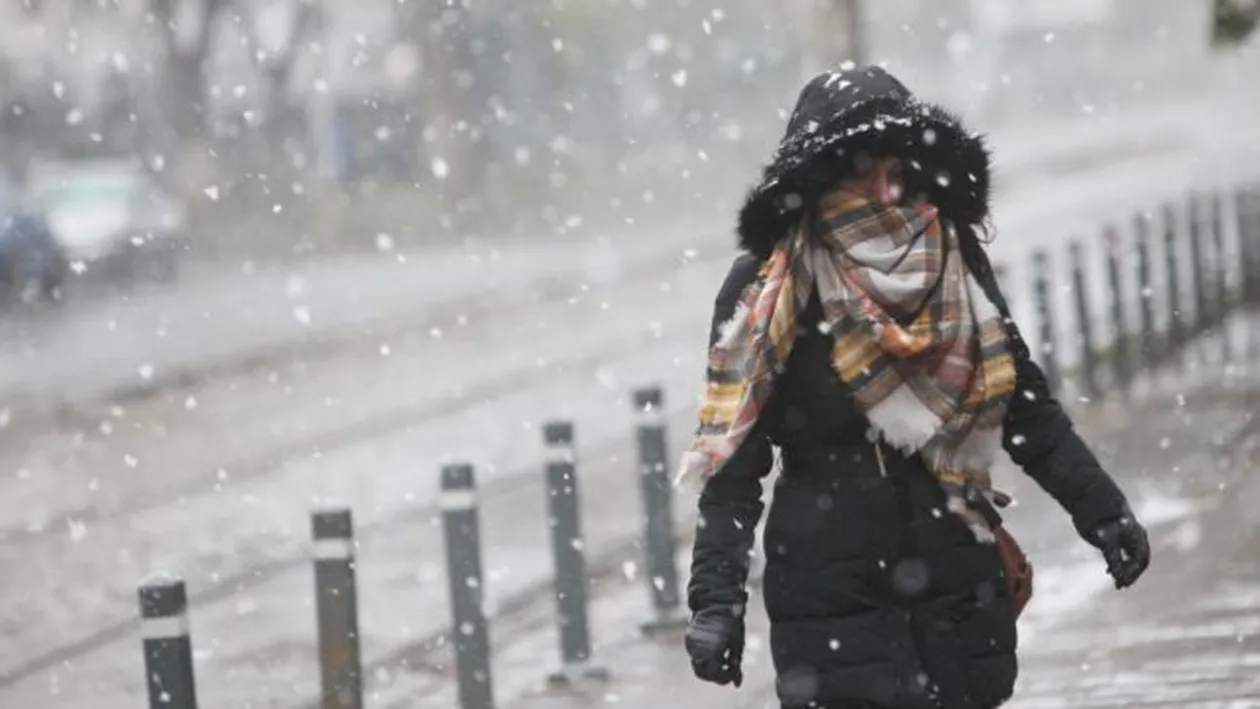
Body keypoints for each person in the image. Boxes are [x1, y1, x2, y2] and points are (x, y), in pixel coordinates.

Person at [679, 65, 1151, 709]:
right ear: (817, 179)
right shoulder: (766, 290)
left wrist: (1102, 511)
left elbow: (1021, 404)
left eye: (896, 167)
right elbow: (733, 468)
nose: (882, 186)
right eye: (858, 168)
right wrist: (715, 601)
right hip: (829, 594)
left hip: (953, 576)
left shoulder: (950, 259)